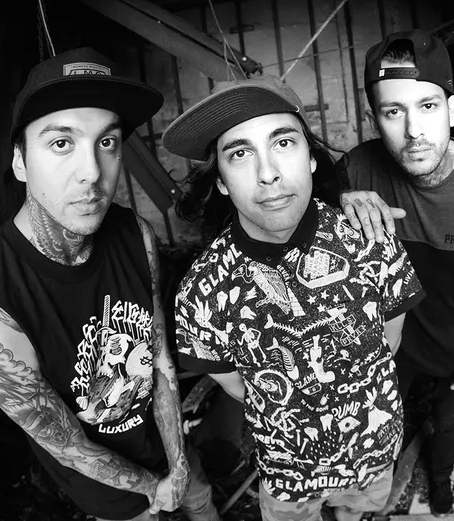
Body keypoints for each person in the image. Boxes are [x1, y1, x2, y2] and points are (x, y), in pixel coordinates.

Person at [0, 47, 221, 521]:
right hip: (112, 493)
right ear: (20, 161)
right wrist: (155, 488)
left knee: (202, 503)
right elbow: (68, 445)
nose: (93, 173)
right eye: (62, 143)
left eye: (107, 142)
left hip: (171, 450)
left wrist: (179, 462)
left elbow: (159, 356)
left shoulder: (135, 233)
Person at [164, 75, 425, 521]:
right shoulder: (202, 292)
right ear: (222, 181)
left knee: (356, 514)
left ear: (311, 158)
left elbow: (389, 343)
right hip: (288, 473)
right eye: (240, 153)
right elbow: (240, 387)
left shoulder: (369, 239)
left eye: (283, 143)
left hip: (374, 451)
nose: (267, 173)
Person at [338, 29, 454, 515]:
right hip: (389, 343)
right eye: (393, 112)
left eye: (427, 106)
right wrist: (336, 203)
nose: (413, 130)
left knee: (447, 422)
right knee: (382, 422)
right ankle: (369, 495)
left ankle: (441, 487)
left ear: (453, 111)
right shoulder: (354, 171)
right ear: (373, 120)